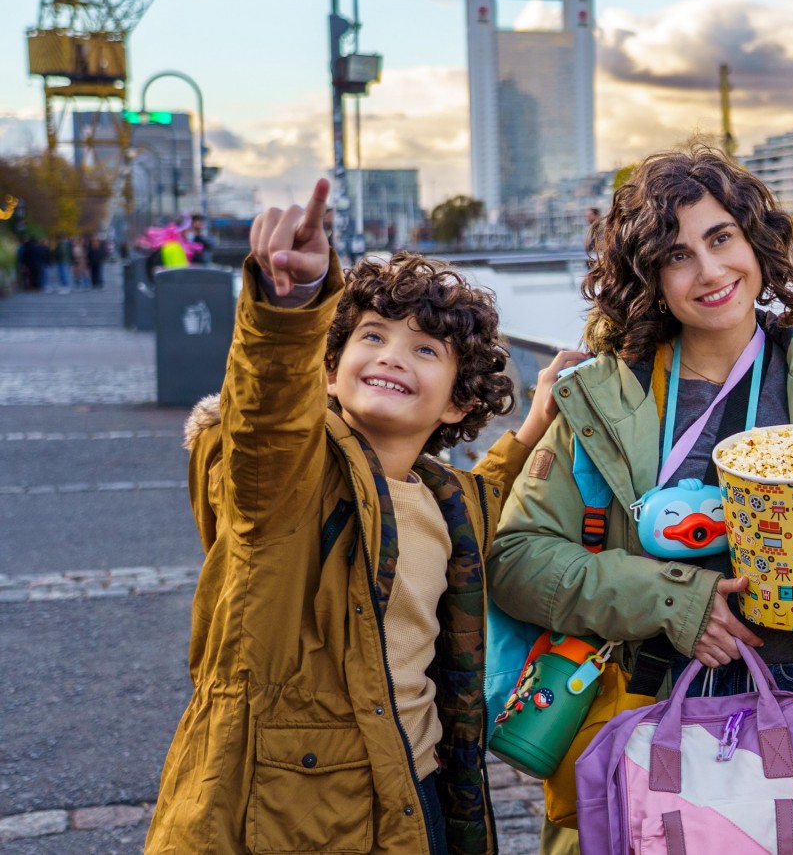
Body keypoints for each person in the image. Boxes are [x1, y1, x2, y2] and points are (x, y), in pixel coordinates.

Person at [144, 179, 585, 853]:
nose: (391, 355)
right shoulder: (287, 480)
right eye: (372, 336)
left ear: (457, 407)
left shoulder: (442, 499)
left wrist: (533, 426)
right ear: (326, 371)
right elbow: (266, 416)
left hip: (416, 795)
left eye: (425, 350)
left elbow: (487, 500)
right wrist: (289, 306)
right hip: (286, 817)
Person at [486, 143, 793, 756]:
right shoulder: (604, 403)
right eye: (677, 255)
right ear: (649, 278)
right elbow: (517, 562)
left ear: (756, 242)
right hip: (655, 702)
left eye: (722, 238)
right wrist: (672, 600)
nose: (710, 271)